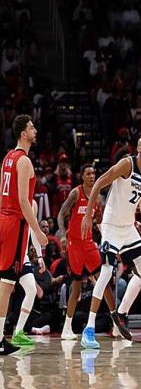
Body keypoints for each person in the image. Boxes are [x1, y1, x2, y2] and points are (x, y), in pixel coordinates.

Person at [80, 136, 141, 349]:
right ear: (137, 148)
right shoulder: (127, 164)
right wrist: (88, 214)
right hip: (111, 226)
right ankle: (88, 329)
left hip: (128, 228)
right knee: (105, 273)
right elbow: (99, 182)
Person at [57, 164, 131, 341]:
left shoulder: (97, 197)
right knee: (76, 288)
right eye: (88, 173)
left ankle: (116, 323)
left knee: (104, 282)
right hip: (75, 244)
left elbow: (99, 221)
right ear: (82, 176)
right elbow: (61, 214)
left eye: (94, 173)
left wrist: (107, 237)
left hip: (89, 244)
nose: (92, 176)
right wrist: (63, 235)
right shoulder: (76, 193)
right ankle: (66, 328)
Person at [0, 114, 48, 355]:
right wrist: (37, 232)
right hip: (16, 224)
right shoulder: (24, 161)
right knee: (6, 284)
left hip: (4, 219)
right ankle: (0, 339)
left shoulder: (7, 157)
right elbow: (23, 201)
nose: (35, 130)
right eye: (31, 127)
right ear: (23, 134)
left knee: (7, 282)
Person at [11, 200, 45, 346]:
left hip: (22, 257)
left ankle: (18, 332)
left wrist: (40, 257)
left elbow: (33, 230)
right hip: (8, 253)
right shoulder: (10, 198)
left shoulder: (33, 204)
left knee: (31, 290)